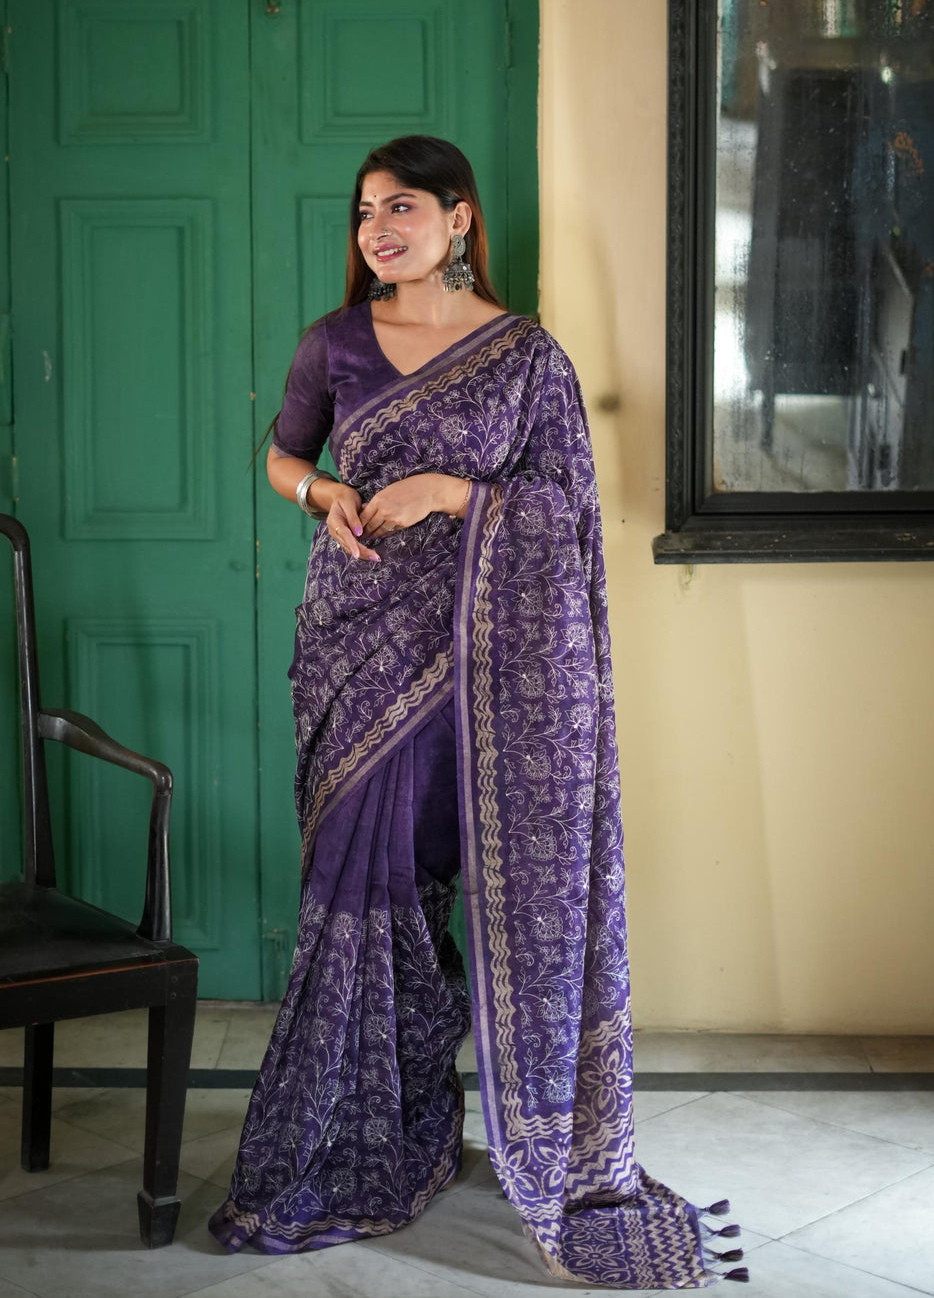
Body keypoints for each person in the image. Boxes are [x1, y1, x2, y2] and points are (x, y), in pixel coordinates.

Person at [208, 136, 746, 1288]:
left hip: (490, 672)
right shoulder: (334, 343)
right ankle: (360, 1141)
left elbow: (568, 513)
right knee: (364, 887)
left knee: (468, 889)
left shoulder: (527, 358)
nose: (378, 230)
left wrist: (454, 491)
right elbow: (279, 456)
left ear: (460, 219)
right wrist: (328, 491)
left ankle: (482, 1128)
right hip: (356, 652)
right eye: (363, 212)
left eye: (401, 208)